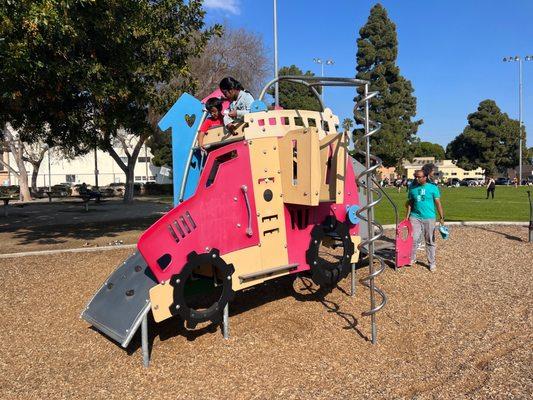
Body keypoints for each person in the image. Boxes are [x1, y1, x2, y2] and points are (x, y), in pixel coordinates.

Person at [406, 169, 445, 271]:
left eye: (419, 177)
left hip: (429, 217)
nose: (417, 179)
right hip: (415, 217)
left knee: (430, 240)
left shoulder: (433, 188)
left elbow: (438, 203)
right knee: (413, 238)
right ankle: (412, 258)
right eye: (416, 177)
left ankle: (431, 262)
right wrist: (407, 217)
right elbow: (410, 203)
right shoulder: (412, 188)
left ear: (425, 177)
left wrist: (441, 217)